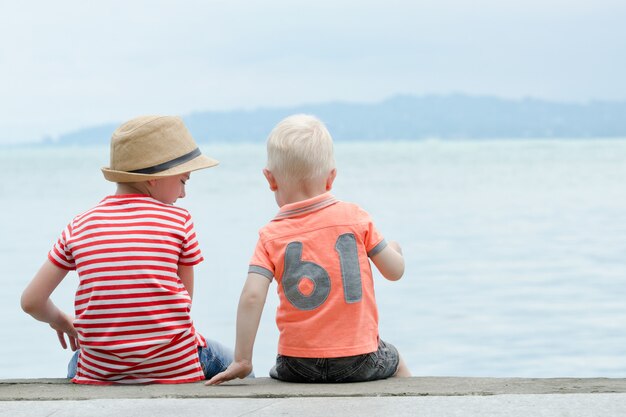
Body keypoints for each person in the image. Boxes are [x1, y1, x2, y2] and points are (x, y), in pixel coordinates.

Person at [21, 115, 234, 384]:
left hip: (100, 372)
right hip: (175, 367)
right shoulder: (180, 221)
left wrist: (63, 321)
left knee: (77, 364)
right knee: (239, 366)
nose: (183, 194)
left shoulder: (79, 225)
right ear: (155, 178)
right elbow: (182, 306)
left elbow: (31, 301)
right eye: (183, 181)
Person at [207, 114, 410, 384]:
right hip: (359, 360)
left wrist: (243, 360)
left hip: (296, 366)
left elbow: (252, 296)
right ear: (331, 178)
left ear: (270, 179)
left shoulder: (270, 235)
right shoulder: (356, 218)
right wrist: (394, 248)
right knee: (394, 359)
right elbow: (395, 271)